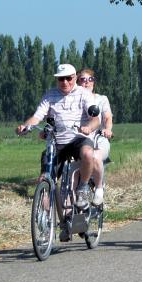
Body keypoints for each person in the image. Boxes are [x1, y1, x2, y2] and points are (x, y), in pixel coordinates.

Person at [16, 64, 100, 241]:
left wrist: (88, 127)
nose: (65, 82)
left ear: (75, 78)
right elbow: (37, 116)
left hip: (78, 138)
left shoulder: (84, 94)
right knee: (46, 181)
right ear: (57, 80)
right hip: (57, 142)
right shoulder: (50, 95)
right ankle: (48, 221)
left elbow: (95, 119)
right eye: (61, 78)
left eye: (69, 78)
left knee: (87, 154)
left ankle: (83, 188)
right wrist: (26, 126)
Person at [77, 68, 113, 204]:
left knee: (95, 156)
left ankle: (99, 189)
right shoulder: (73, 99)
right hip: (79, 137)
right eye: (82, 80)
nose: (86, 83)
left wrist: (108, 129)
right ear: (77, 82)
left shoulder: (101, 99)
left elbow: (107, 117)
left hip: (97, 136)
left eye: (90, 79)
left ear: (94, 82)